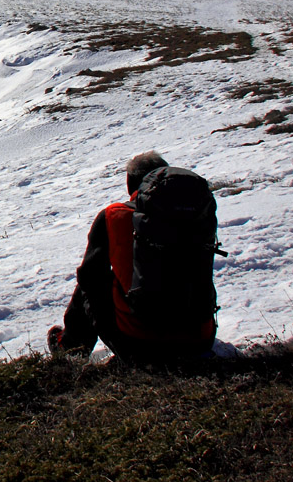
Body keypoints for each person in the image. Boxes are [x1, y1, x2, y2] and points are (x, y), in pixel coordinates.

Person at [48, 150, 217, 362]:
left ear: (130, 184)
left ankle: (71, 349)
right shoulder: (197, 215)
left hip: (139, 344)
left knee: (92, 278)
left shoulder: (115, 215)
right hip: (201, 339)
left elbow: (90, 278)